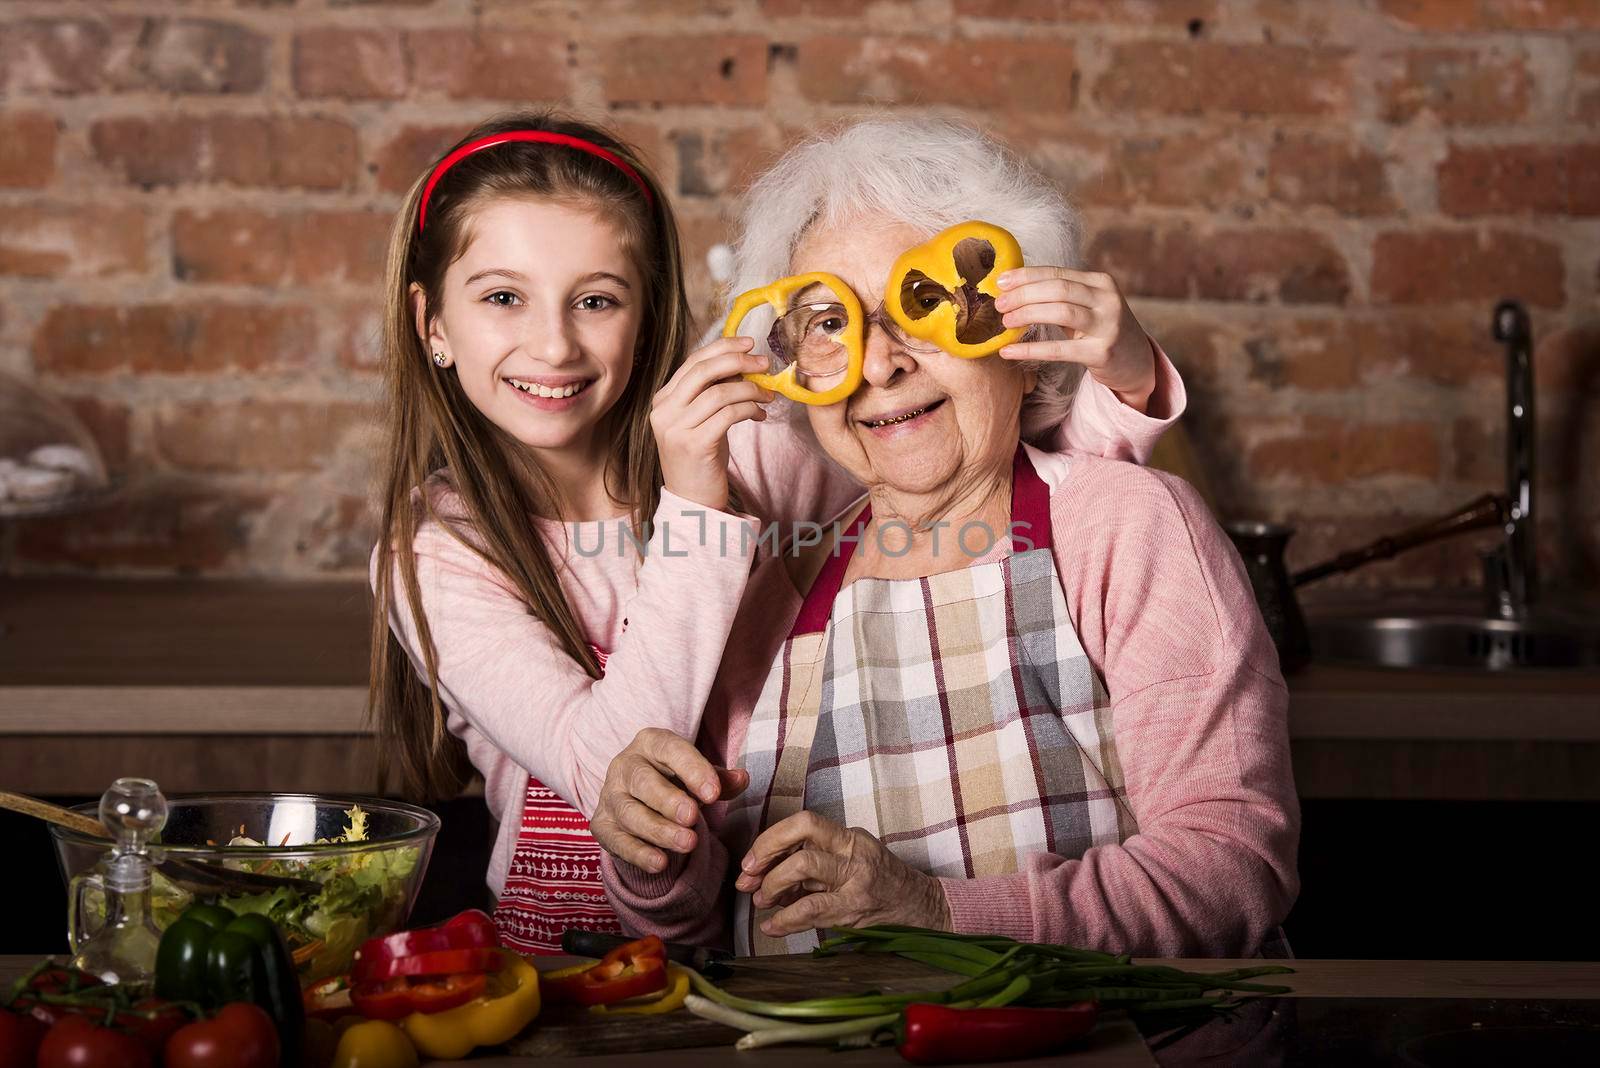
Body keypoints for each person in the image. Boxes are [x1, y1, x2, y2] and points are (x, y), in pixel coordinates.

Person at [367, 112, 1183, 953]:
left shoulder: (755, 451)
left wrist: (1126, 382)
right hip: (564, 969)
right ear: (432, 323)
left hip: (751, 937)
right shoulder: (436, 551)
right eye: (504, 297)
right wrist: (692, 505)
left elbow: (982, 485)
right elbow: (611, 771)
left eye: (597, 300)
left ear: (646, 321)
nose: (552, 342)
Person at [591, 118, 1297, 958]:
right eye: (828, 323)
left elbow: (1230, 871)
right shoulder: (771, 592)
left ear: (1027, 342)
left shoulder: (1124, 526)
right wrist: (653, 863)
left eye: (924, 306)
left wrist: (934, 910)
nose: (881, 363)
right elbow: (701, 932)